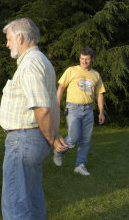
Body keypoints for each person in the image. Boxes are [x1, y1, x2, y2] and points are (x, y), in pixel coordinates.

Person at [0, 18, 67, 220]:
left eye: (9, 39)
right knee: (31, 198)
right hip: (31, 140)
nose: (7, 44)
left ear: (20, 37)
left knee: (16, 205)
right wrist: (52, 135)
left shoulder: (30, 64)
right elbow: (54, 106)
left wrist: (52, 138)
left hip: (23, 141)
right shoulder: (42, 61)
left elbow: (43, 109)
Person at [53, 47, 105, 176]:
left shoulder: (95, 74)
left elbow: (99, 94)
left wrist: (101, 112)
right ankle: (59, 151)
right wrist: (57, 105)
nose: (84, 61)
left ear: (92, 59)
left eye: (87, 59)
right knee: (73, 137)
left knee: (85, 140)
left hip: (88, 109)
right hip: (73, 109)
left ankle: (80, 165)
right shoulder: (71, 71)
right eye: (82, 58)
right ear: (79, 58)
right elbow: (61, 88)